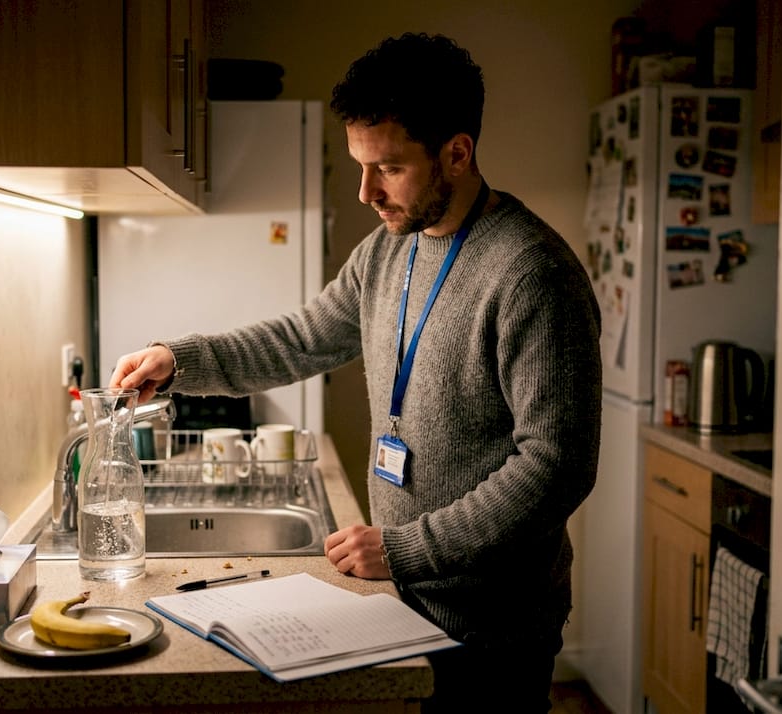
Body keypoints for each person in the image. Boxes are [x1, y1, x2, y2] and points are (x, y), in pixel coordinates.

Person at [109, 32, 601, 713]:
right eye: (360, 166)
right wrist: (181, 360)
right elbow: (301, 339)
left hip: (494, 627)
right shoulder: (385, 253)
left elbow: (557, 465)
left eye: (390, 168)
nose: (367, 191)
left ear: (457, 153)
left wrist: (407, 548)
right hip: (404, 604)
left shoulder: (531, 273)